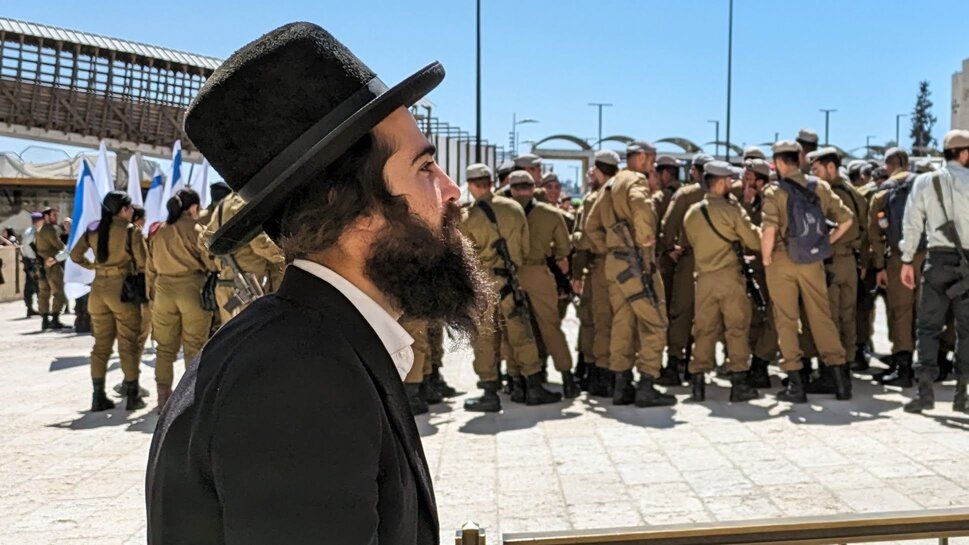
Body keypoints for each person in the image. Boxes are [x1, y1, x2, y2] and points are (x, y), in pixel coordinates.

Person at [148, 23, 489, 543]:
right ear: (344, 205)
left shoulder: (308, 342)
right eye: (424, 168)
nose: (452, 192)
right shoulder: (298, 377)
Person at [460, 164, 560, 410]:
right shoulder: (514, 208)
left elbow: (464, 257)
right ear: (492, 182)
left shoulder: (468, 217)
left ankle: (490, 394)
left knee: (484, 338)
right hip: (510, 281)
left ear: (472, 185)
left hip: (482, 284)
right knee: (520, 332)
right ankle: (533, 386)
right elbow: (524, 250)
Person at [761, 140, 854, 403]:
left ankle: (796, 385)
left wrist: (766, 258)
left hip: (782, 259)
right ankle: (840, 381)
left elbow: (768, 230)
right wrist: (825, 243)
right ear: (799, 159)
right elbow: (846, 219)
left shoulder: (774, 191)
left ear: (779, 163)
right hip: (813, 260)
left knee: (787, 319)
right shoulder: (820, 187)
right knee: (822, 317)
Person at [585, 148, 676, 407]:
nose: (653, 164)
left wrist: (610, 246)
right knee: (655, 322)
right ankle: (646, 384)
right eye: (651, 159)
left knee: (622, 323)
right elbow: (641, 205)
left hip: (615, 265)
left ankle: (622, 386)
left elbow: (591, 226)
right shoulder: (635, 180)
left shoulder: (609, 185)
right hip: (636, 262)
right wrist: (644, 239)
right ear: (641, 158)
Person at [900, 129, 969, 413]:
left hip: (937, 260)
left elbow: (912, 221)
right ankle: (961, 397)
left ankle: (924, 394)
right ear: (965, 153)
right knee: (967, 332)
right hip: (968, 263)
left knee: (927, 328)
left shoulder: (925, 181)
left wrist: (906, 260)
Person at [682, 161, 762, 402]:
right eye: (729, 180)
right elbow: (754, 240)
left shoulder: (692, 213)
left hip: (704, 279)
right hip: (729, 278)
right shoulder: (731, 210)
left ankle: (697, 383)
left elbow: (693, 241)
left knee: (704, 330)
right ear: (720, 182)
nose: (732, 183)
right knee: (736, 329)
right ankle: (739, 383)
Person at [70, 191, 148, 411]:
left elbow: (75, 255)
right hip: (122, 290)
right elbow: (143, 262)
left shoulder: (94, 228)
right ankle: (132, 395)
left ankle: (98, 396)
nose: (132, 211)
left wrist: (93, 266)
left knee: (100, 346)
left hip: (98, 290)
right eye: (130, 207)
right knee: (128, 343)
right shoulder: (130, 230)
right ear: (123, 210)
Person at [800, 147, 868, 392]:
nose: (815, 176)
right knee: (847, 318)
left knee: (828, 318)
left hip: (831, 261)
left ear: (831, 167)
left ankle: (831, 372)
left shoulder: (826, 195)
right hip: (851, 262)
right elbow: (865, 230)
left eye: (817, 170)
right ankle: (845, 369)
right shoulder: (856, 194)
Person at [507, 169, 579, 398]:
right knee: (551, 327)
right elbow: (563, 249)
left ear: (511, 188)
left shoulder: (503, 211)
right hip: (539, 272)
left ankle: (518, 381)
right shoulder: (550, 213)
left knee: (516, 328)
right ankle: (568, 379)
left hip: (510, 274)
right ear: (533, 187)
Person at [659, 153, 713, 384]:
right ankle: (696, 366)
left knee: (681, 313)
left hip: (689, 261)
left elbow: (667, 226)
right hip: (716, 262)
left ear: (695, 171)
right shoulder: (723, 195)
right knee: (705, 316)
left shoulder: (685, 194)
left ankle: (673, 364)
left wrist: (670, 248)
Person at [200, 189, 285, 325]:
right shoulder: (242, 204)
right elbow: (261, 245)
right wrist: (286, 253)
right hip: (244, 289)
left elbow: (205, 239)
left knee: (231, 339)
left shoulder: (223, 205)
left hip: (227, 284)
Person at [35, 207, 68, 330]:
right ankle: (55, 318)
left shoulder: (38, 230)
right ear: (46, 217)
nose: (56, 217)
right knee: (59, 291)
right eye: (53, 215)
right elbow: (59, 245)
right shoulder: (49, 229)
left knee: (44, 293)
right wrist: (65, 250)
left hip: (42, 264)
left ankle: (45, 320)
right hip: (52, 264)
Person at [20, 212, 43, 317]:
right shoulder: (36, 232)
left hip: (28, 261)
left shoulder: (27, 231)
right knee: (40, 285)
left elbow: (23, 247)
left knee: (29, 286)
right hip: (35, 262)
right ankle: (43, 309)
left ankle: (29, 308)